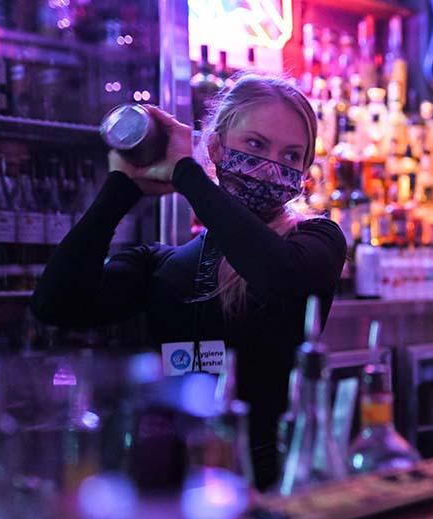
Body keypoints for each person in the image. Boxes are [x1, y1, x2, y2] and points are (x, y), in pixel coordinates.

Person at [30, 75, 347, 490]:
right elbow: (57, 304)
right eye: (254, 144)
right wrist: (122, 189)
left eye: (291, 155)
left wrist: (188, 175)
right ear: (215, 147)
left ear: (305, 169)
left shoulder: (316, 241)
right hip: (171, 486)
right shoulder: (161, 265)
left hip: (272, 488)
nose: (272, 166)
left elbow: (277, 274)